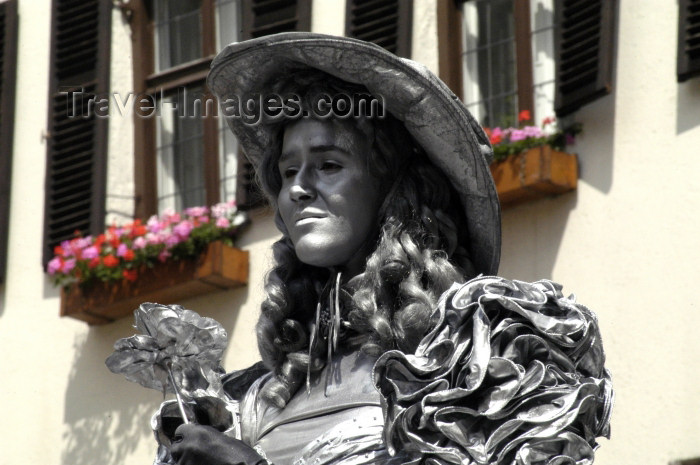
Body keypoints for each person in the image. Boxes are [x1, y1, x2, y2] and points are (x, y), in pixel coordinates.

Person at [165, 33, 612, 465]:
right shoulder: (257, 398)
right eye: (287, 172)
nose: (298, 189)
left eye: (327, 165)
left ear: (392, 186)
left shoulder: (479, 355)